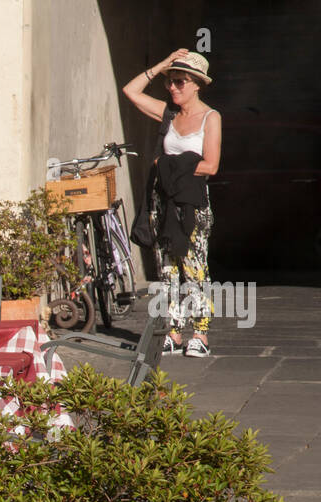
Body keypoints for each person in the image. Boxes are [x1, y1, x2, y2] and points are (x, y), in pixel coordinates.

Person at [124, 49, 221, 357]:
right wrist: (162, 66)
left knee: (194, 269)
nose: (173, 88)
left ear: (196, 84)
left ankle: (200, 334)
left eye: (180, 81)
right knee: (167, 271)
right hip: (163, 204)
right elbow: (131, 91)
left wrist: (167, 165)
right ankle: (173, 332)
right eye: (171, 82)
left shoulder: (210, 117)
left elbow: (211, 165)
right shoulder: (167, 113)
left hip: (192, 206)